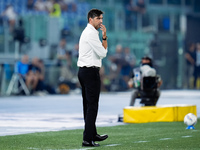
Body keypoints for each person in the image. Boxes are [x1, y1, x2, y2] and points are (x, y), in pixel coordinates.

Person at [77, 8, 108, 147]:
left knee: (88, 105)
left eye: (101, 18)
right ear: (91, 19)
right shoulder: (91, 33)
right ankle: (87, 139)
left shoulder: (89, 32)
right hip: (90, 72)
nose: (101, 21)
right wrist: (105, 37)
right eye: (98, 19)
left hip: (84, 72)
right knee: (92, 106)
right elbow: (103, 53)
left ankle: (92, 133)